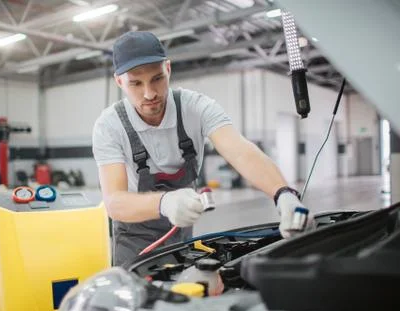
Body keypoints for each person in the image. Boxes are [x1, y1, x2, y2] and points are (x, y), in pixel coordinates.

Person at [92, 31, 314, 267]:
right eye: (135, 83)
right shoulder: (109, 126)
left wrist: (284, 194)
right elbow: (114, 202)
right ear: (119, 81)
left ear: (168, 69)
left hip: (181, 233)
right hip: (133, 239)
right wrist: (164, 203)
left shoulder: (196, 108)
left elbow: (240, 151)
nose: (150, 94)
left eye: (157, 78)